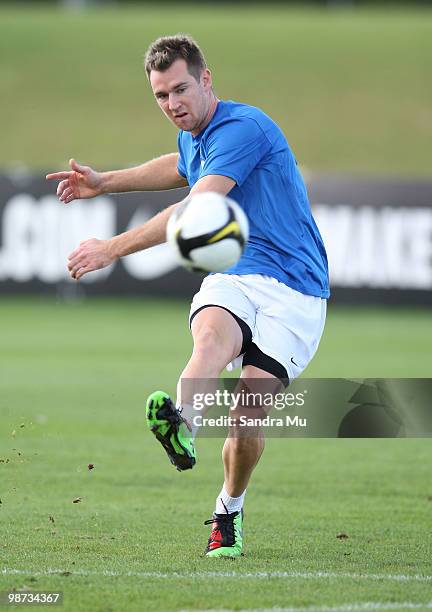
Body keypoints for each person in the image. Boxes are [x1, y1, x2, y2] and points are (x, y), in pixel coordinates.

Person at [46, 34, 329, 558]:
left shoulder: (242, 128)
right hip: (237, 273)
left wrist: (112, 248)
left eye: (180, 90)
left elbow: (193, 212)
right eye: (160, 96)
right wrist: (105, 181)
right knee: (209, 340)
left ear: (206, 80)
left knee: (247, 415)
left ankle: (229, 512)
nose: (172, 104)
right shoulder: (196, 133)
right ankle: (183, 426)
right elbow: (177, 165)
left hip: (295, 289)